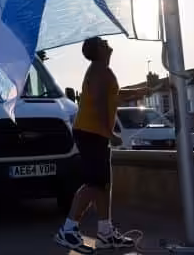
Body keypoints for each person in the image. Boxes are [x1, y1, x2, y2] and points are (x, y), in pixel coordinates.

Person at [55, 37, 134, 252]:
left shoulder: (100, 70)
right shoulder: (100, 70)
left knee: (102, 185)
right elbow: (99, 104)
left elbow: (113, 95)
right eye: (102, 41)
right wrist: (110, 134)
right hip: (91, 133)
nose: (107, 42)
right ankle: (68, 230)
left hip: (92, 133)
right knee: (93, 184)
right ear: (99, 50)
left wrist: (149, 89)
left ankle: (105, 233)